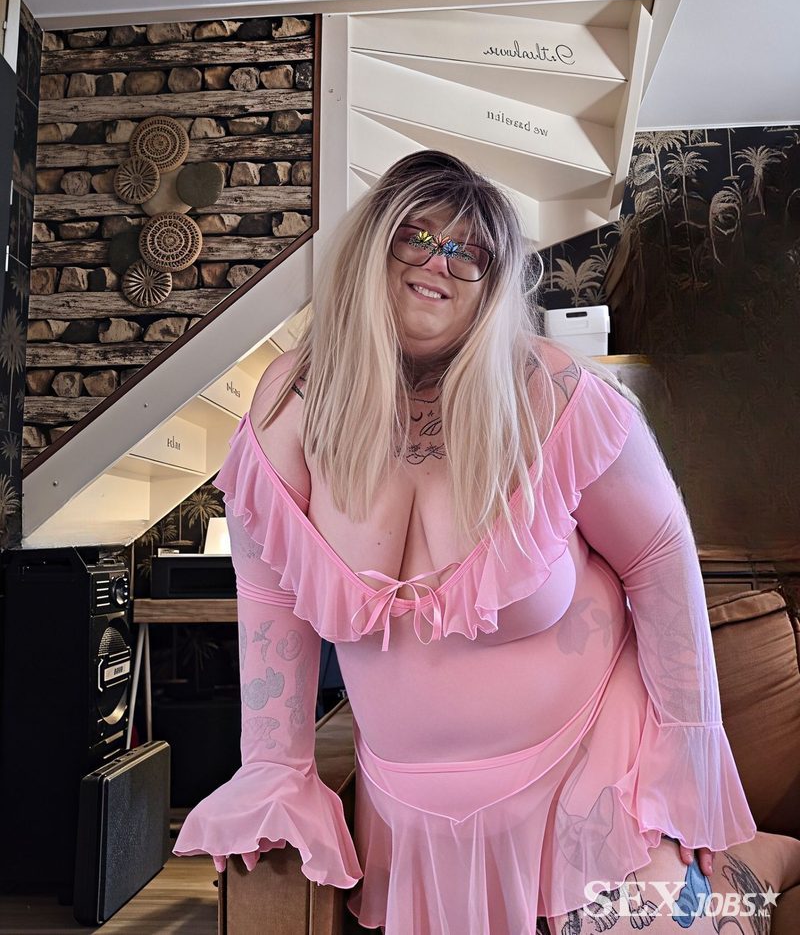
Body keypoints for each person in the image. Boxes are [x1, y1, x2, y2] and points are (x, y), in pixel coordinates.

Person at [173, 150, 800, 934]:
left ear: (494, 283)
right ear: (371, 244)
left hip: (590, 758)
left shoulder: (555, 393)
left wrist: (689, 744)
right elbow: (270, 591)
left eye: (469, 251)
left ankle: (763, 858)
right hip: (412, 803)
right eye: (417, 235)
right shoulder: (291, 403)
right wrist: (274, 766)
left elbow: (658, 553)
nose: (439, 261)